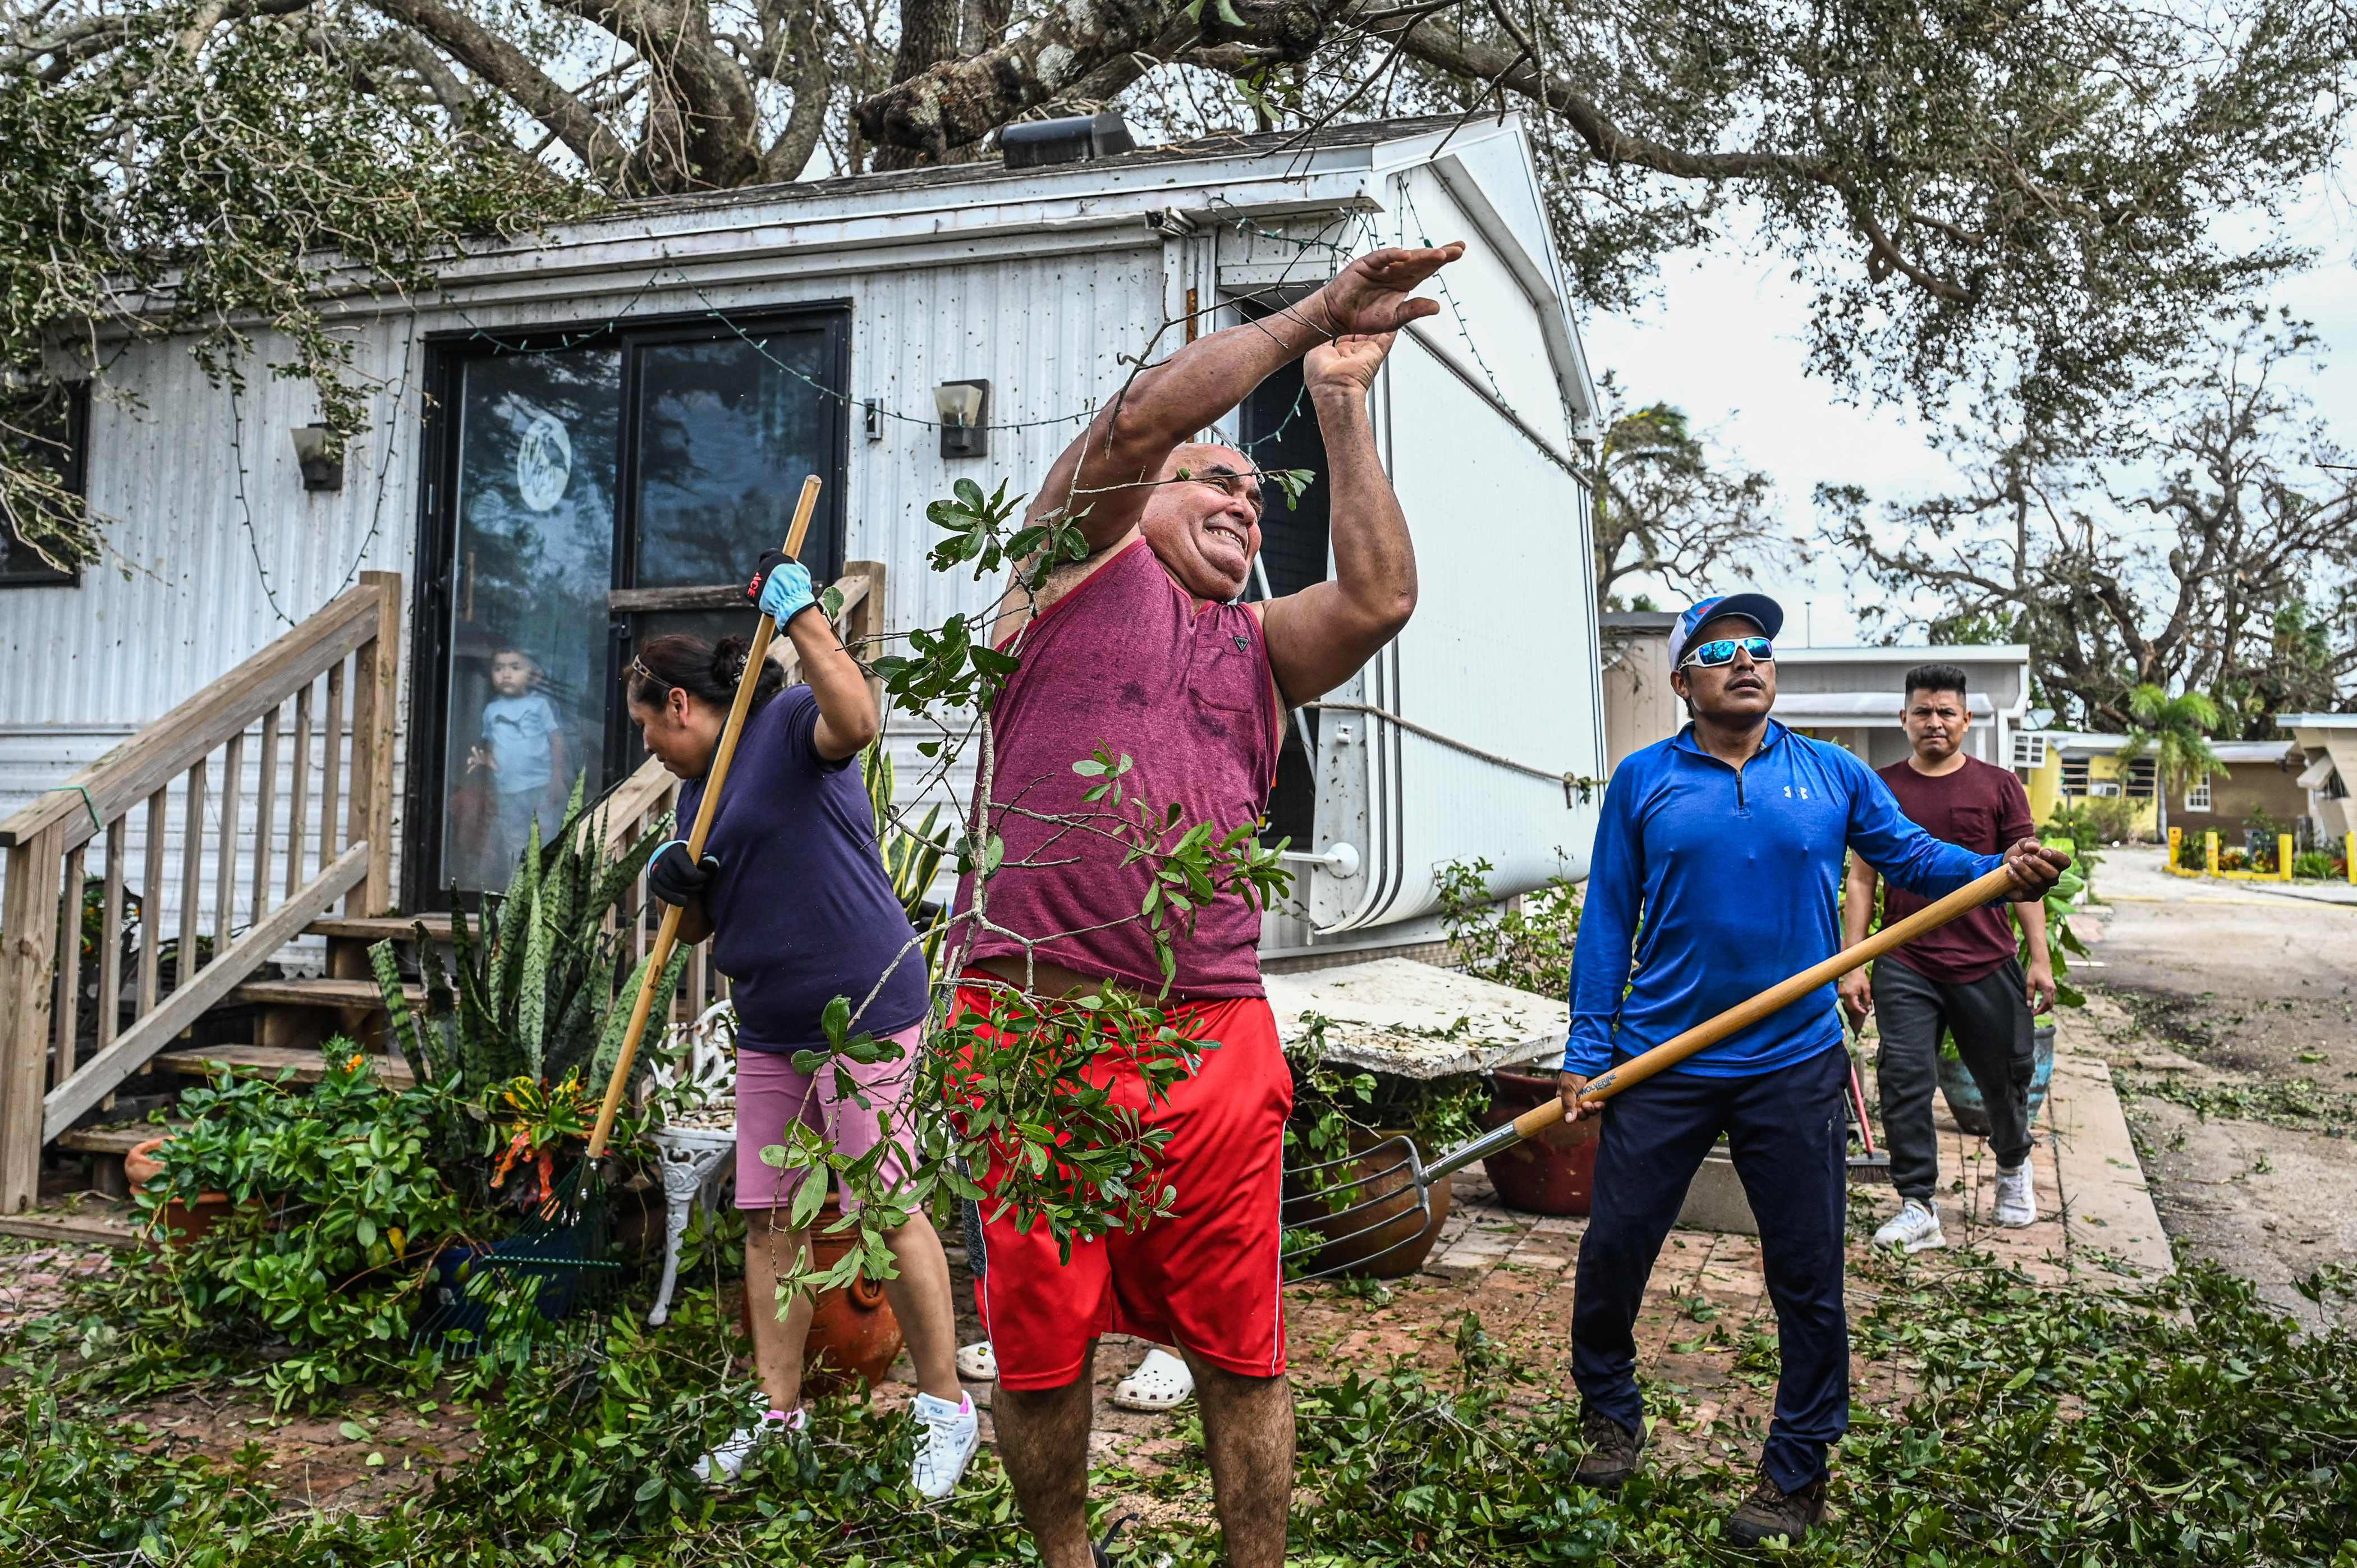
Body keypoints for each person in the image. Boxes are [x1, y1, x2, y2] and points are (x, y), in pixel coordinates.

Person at [947, 240, 1464, 1568]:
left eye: (1255, 485)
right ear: (1142, 499)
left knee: (1245, 1343)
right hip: (1039, 1034)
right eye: (1214, 477)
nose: (1243, 493)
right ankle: (1068, 1559)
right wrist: (1309, 318)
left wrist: (1341, 401)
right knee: (1043, 1341)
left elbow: (1382, 596)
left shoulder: (1260, 645)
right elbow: (1143, 419)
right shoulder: (1059, 575)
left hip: (1213, 1036)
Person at [1557, 594, 2067, 1547]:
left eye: (1760, 648)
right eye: (1720, 651)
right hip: (1664, 1058)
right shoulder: (1644, 780)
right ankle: (1610, 1412)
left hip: (1792, 1061)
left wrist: (2000, 868)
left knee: (1806, 1270)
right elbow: (1607, 919)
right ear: (1683, 681)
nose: (1747, 661)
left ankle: (1797, 1468)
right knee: (1616, 1247)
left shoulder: (1829, 772)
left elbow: (1909, 854)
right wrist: (1588, 1052)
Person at [627, 566, 975, 1502]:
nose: (652, 746)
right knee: (769, 1215)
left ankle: (945, 1406)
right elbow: (700, 930)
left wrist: (806, 615)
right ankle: (778, 1409)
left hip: (861, 1006)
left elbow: (856, 718)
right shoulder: (690, 803)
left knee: (885, 1203)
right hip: (771, 1019)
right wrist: (680, 890)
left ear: (681, 703)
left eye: (649, 727)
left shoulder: (784, 729)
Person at [1838, 665, 2055, 1250]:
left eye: (1946, 712)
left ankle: (2013, 1166)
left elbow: (2025, 877)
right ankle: (1918, 1204)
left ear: (1967, 720)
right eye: (1923, 712)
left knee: (2006, 1077)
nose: (1934, 722)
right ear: (1903, 719)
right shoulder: (1878, 786)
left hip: (1986, 959)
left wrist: (2040, 959)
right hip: (1906, 960)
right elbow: (1862, 880)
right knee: (1904, 1078)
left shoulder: (2000, 785)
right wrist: (1853, 963)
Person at [470, 646, 570, 871]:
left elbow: (557, 740)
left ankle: (544, 879)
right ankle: (517, 882)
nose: (506, 674)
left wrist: (557, 777)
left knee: (545, 833)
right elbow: (491, 745)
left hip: (540, 785)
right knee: (513, 837)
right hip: (507, 789)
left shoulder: (539, 705)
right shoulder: (491, 710)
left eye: (515, 668)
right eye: (499, 668)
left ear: (533, 676)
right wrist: (487, 770)